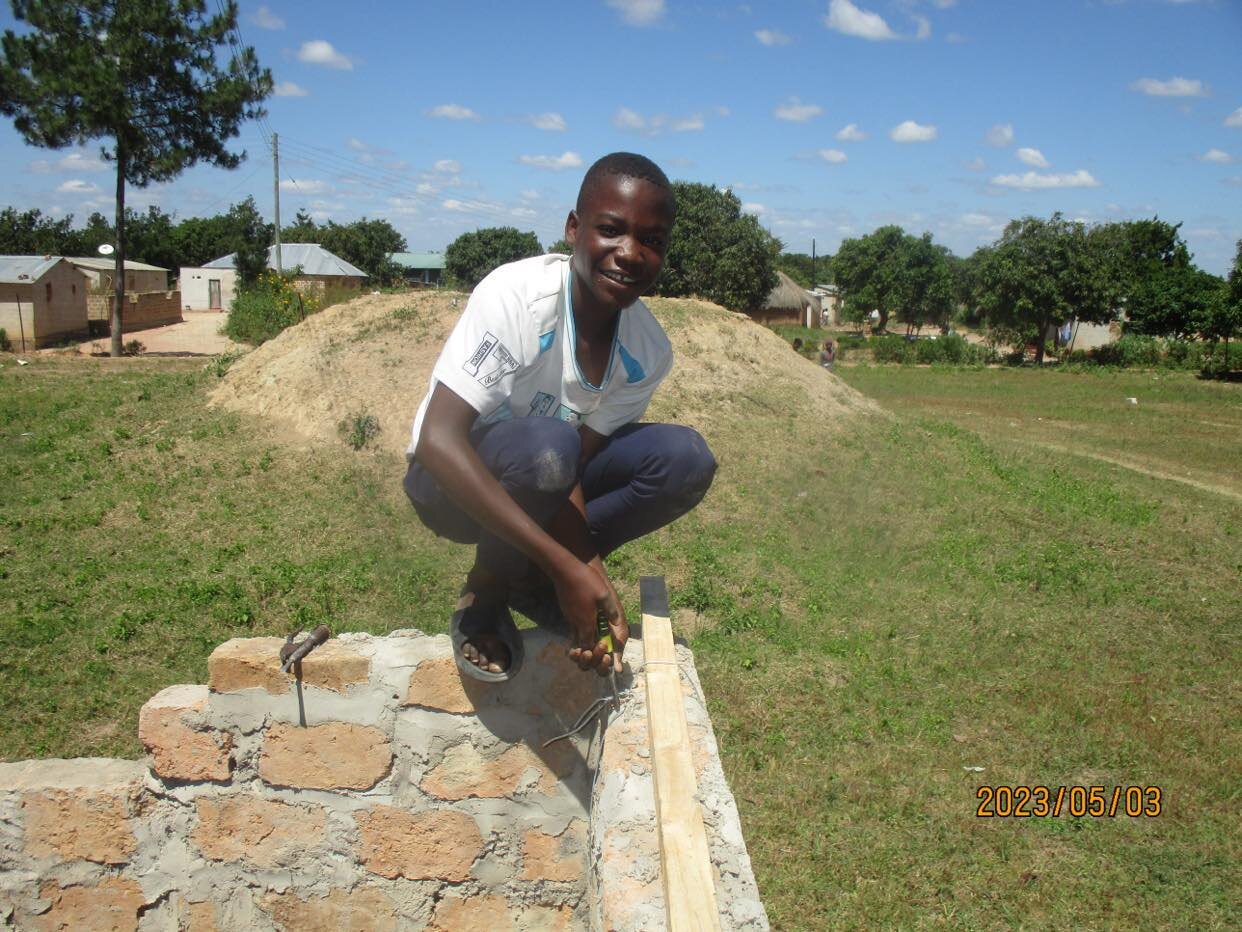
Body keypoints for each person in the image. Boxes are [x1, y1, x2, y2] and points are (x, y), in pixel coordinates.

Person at [403, 152, 716, 683]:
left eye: (652, 241)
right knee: (547, 448)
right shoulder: (518, 299)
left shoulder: (647, 350)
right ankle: (488, 591)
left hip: (545, 470)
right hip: (447, 483)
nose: (630, 254)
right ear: (574, 228)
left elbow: (572, 471)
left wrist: (586, 569)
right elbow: (438, 438)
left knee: (683, 460)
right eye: (611, 230)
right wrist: (569, 566)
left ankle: (532, 579)